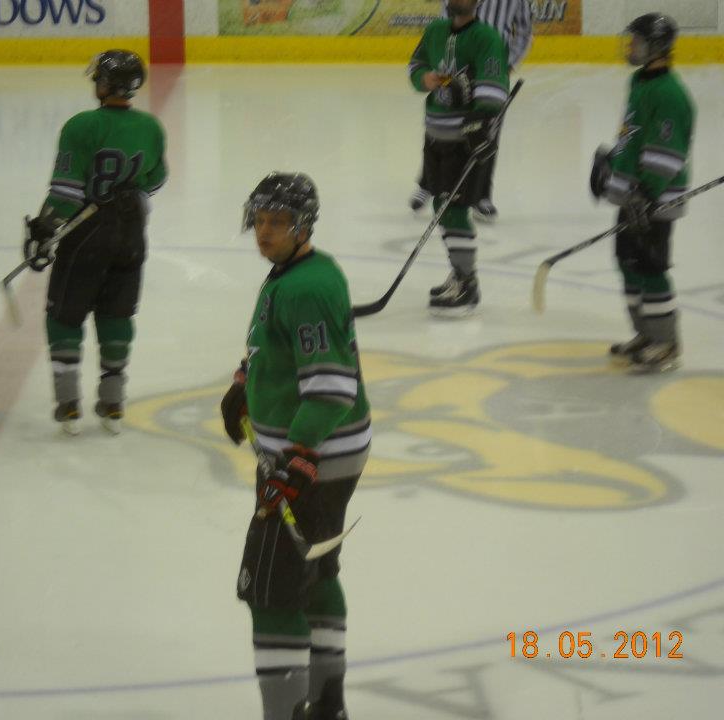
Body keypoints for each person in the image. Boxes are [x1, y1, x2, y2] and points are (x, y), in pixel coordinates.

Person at [220, 172, 370, 720]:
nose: (264, 232)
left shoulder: (306, 286)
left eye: (277, 222)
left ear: (303, 225)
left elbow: (330, 388)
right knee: (317, 571)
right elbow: (272, 344)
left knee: (271, 589)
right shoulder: (296, 273)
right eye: (259, 220)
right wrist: (244, 382)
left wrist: (301, 455)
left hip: (313, 460)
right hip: (327, 455)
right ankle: (328, 705)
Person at [23, 49, 167, 435]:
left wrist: (44, 230)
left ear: (105, 85)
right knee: (117, 312)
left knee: (64, 314)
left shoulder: (81, 126)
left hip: (88, 231)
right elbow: (155, 179)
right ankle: (113, 402)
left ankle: (69, 404)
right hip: (132, 231)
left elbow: (66, 193)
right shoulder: (151, 127)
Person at [591, 14, 693, 373]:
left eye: (636, 41)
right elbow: (633, 136)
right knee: (627, 262)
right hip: (634, 197)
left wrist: (647, 194)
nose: (630, 47)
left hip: (655, 200)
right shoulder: (639, 81)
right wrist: (613, 165)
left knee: (651, 267)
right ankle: (645, 333)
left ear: (657, 46)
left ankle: (666, 343)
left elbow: (667, 152)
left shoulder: (670, 94)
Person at [407, 0, 509, 315]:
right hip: (435, 136)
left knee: (453, 208)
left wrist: (480, 121)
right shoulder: (435, 30)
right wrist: (424, 78)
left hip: (462, 142)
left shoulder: (487, 38)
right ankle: (459, 274)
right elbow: (416, 64)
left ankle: (467, 283)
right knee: (441, 204)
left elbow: (493, 90)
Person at [410, 0, 531, 222]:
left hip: (489, 72)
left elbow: (524, 31)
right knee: (440, 128)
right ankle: (427, 183)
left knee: (485, 135)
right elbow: (445, 18)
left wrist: (505, 66)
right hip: (456, 66)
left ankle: (481, 196)